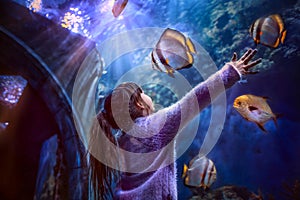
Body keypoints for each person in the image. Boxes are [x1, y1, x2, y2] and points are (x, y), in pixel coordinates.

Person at [88, 48, 262, 200]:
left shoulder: (119, 141)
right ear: (140, 104)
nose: (149, 95)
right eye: (144, 93)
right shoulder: (155, 126)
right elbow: (194, 100)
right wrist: (230, 72)